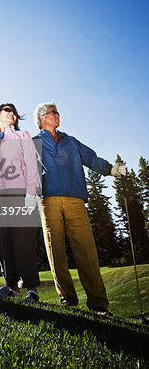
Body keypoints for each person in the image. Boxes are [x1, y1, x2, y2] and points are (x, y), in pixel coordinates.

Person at [33, 102, 126, 313]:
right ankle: (67, 299)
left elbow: (91, 159)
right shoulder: (33, 142)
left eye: (57, 112)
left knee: (86, 249)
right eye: (53, 113)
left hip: (76, 199)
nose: (58, 115)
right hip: (49, 199)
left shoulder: (71, 141)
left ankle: (98, 304)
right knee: (55, 250)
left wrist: (111, 169)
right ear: (42, 118)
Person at [0, 103, 40, 302]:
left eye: (13, 112)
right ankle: (11, 287)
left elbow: (31, 165)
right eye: (7, 111)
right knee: (1, 239)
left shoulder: (23, 136)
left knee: (24, 240)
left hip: (19, 191)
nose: (12, 114)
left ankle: (32, 290)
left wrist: (31, 192)